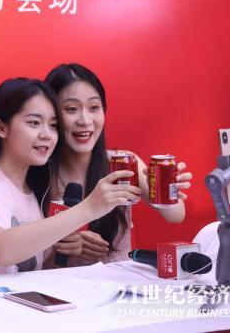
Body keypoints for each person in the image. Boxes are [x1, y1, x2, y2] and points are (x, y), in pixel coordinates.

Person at [0, 77, 141, 277]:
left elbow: (35, 272)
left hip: (23, 301)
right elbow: (0, 250)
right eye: (34, 123)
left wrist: (65, 247)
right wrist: (89, 208)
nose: (47, 135)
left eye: (53, 125)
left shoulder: (36, 192)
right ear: (1, 127)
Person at [28, 63, 193, 267]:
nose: (85, 120)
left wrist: (167, 187)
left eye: (94, 108)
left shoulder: (123, 164)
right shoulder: (35, 172)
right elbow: (23, 259)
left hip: (119, 283)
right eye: (71, 109)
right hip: (53, 284)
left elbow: (176, 216)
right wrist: (64, 245)